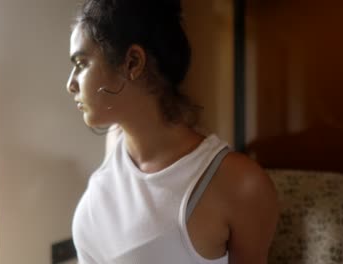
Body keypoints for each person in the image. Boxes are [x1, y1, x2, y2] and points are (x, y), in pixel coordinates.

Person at [65, 0, 279, 263]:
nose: (71, 84)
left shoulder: (241, 184)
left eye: (81, 63)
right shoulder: (116, 142)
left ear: (133, 62)